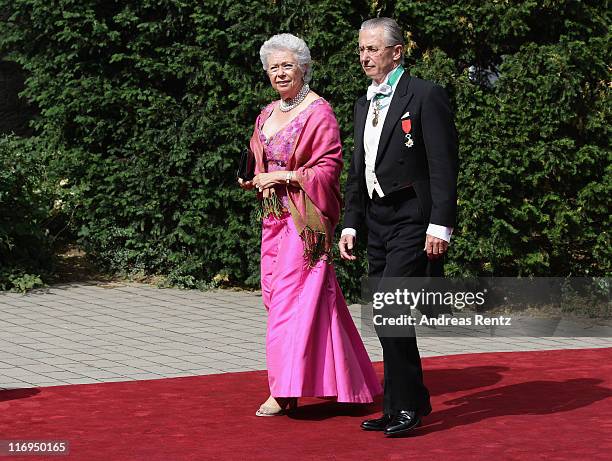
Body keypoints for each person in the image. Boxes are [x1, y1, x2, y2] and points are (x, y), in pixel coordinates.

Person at [239, 33, 382, 417]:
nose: (281, 73)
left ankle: (283, 390)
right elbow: (259, 160)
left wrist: (282, 177)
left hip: (307, 222)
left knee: (289, 301)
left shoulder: (319, 111)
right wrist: (254, 176)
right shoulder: (267, 113)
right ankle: (350, 383)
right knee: (302, 299)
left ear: (303, 67)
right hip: (273, 220)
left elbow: (328, 168)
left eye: (288, 65)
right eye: (274, 68)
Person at [339, 18, 458, 436]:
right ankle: (403, 403)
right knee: (384, 314)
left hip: (412, 215)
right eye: (361, 49)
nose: (364, 56)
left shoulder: (425, 95)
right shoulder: (363, 102)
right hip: (376, 218)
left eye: (372, 49)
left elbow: (444, 166)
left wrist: (440, 225)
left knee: (390, 308)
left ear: (396, 52)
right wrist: (351, 223)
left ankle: (407, 406)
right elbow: (359, 169)